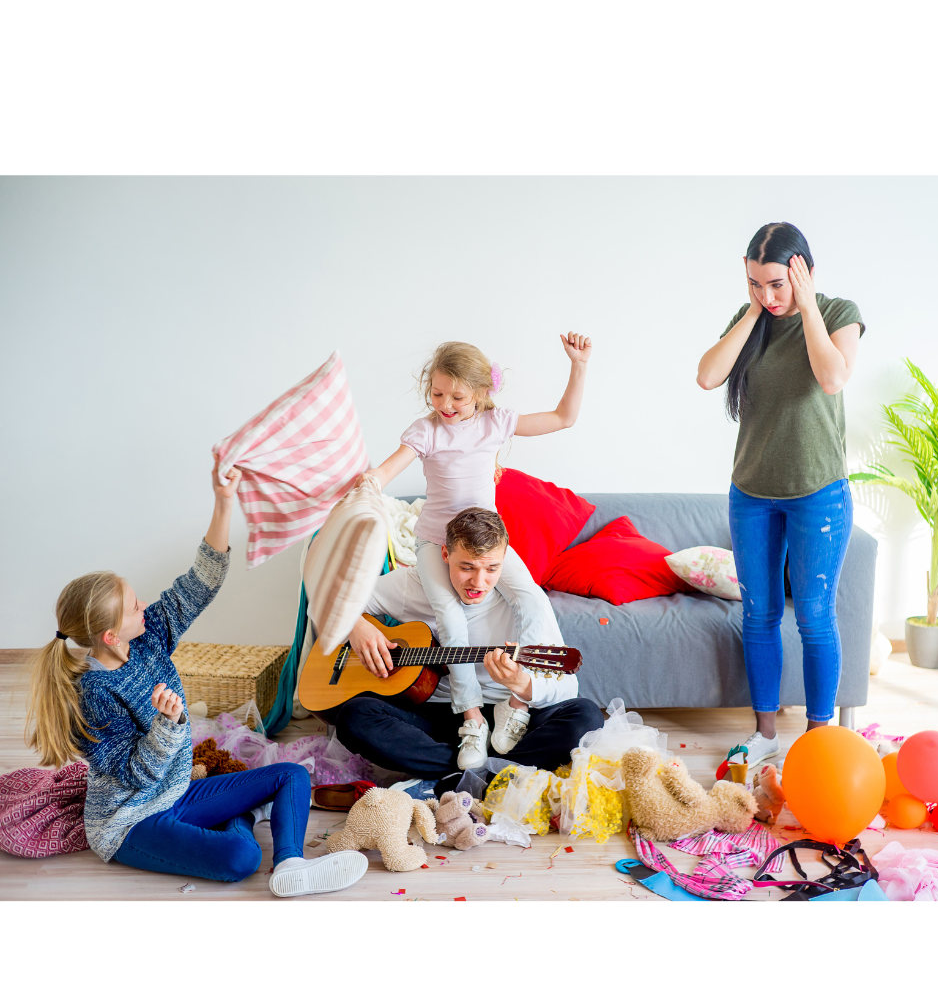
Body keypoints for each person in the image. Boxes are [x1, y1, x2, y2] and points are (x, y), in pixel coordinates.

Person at [24, 457, 369, 897]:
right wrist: (167, 727)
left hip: (179, 791)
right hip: (132, 820)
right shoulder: (91, 694)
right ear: (110, 635)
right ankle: (241, 818)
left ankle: (291, 866)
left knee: (292, 776)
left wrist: (224, 503)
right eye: (133, 607)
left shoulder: (145, 638)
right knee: (241, 859)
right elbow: (138, 776)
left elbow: (200, 582)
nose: (143, 607)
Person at [361, 334, 592, 769]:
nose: (446, 404)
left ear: (483, 393)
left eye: (458, 397)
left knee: (533, 598)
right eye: (437, 393)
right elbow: (393, 464)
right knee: (450, 620)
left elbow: (564, 417)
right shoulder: (425, 430)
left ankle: (516, 706)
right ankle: (471, 721)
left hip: (487, 540)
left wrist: (578, 365)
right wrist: (373, 479)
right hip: (436, 542)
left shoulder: (496, 422)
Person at [696, 222, 864, 766]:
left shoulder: (838, 313)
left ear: (805, 274)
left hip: (818, 493)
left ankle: (818, 743)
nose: (766, 296)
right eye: (754, 284)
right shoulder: (753, 321)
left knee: (815, 616)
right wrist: (751, 313)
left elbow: (833, 377)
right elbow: (707, 376)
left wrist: (807, 306)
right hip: (752, 492)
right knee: (760, 614)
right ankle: (766, 734)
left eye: (776, 285)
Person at [315, 507, 604, 792]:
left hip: (513, 722)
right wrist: (355, 626)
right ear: (445, 555)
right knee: (354, 717)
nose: (479, 583)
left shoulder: (526, 603)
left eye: (491, 569)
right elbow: (329, 600)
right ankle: (492, 775)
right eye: (467, 567)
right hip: (439, 714)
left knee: (587, 716)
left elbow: (568, 686)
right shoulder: (411, 585)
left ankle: (465, 777)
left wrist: (523, 684)